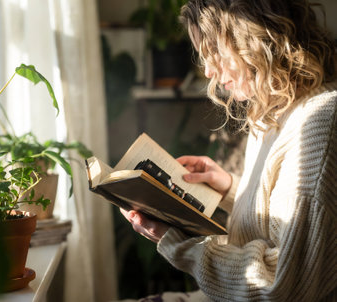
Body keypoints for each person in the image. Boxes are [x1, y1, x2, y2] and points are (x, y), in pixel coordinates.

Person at [120, 0, 337, 301]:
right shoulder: (273, 113)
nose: (208, 70)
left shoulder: (319, 122)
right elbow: (284, 221)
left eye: (213, 52)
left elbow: (280, 287)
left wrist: (180, 244)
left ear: (253, 39)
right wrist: (231, 189)